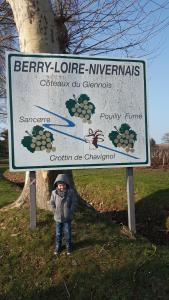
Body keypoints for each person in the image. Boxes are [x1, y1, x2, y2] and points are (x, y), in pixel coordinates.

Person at [50, 174, 77, 255]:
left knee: (67, 232)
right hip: (58, 218)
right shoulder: (54, 193)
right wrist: (54, 211)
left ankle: (68, 246)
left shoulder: (70, 192)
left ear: (66, 184)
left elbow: (74, 202)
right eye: (59, 185)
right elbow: (51, 203)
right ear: (57, 185)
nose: (61, 187)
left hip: (67, 217)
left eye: (63, 185)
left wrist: (70, 210)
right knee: (58, 233)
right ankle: (58, 246)